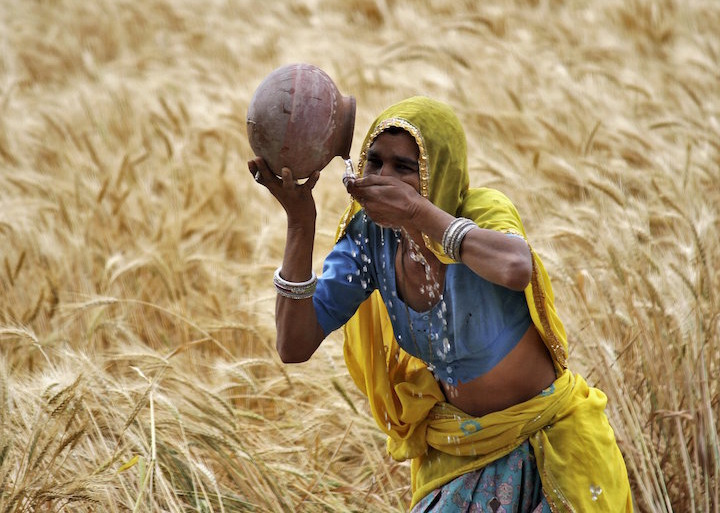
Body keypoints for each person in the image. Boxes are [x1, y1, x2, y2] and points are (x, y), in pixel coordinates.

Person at [248, 96, 633, 512]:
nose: (382, 177)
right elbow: (293, 344)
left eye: (404, 168)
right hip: (462, 454)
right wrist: (300, 222)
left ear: (438, 171)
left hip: (550, 447)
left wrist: (418, 212)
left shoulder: (478, 210)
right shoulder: (371, 239)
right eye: (374, 162)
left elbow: (515, 267)